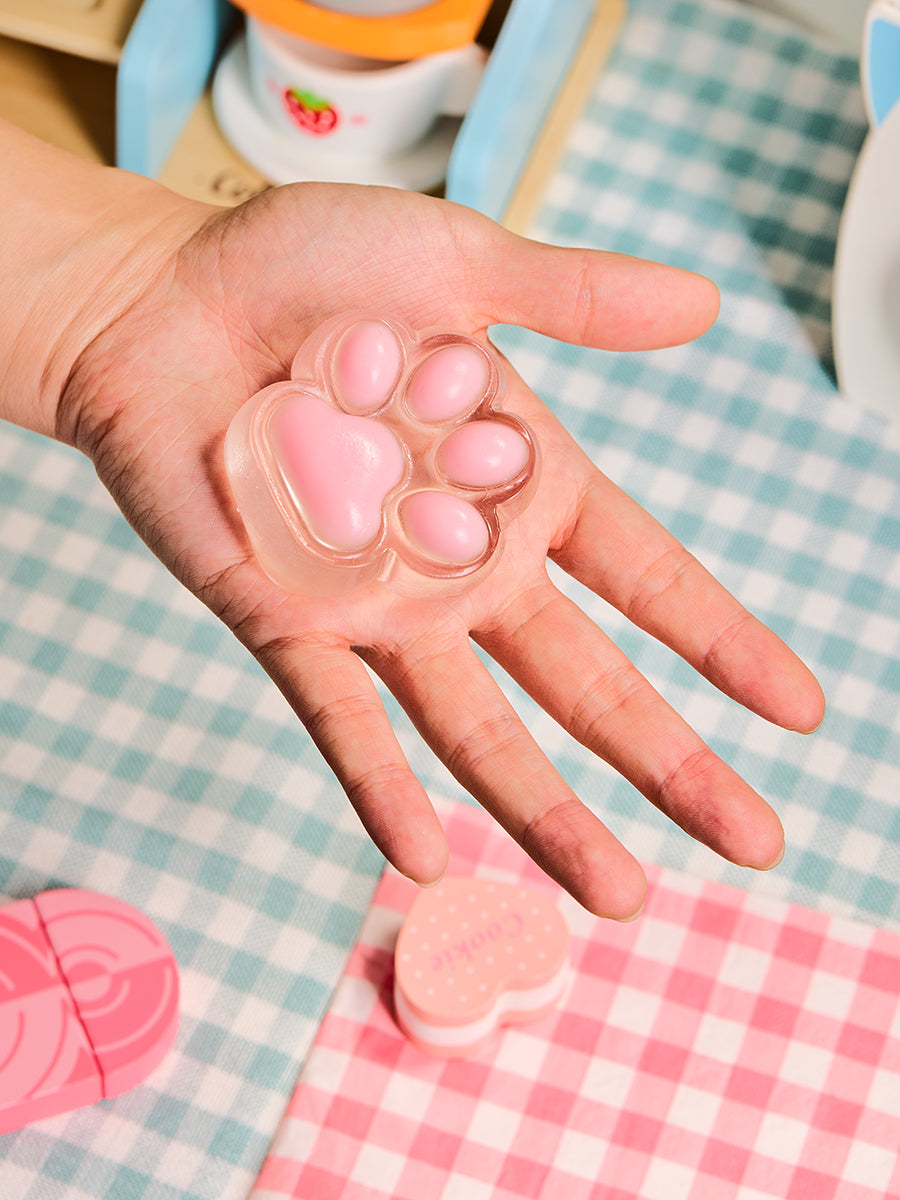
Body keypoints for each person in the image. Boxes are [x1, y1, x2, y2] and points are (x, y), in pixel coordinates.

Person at [0, 118, 825, 921]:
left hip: (383, 491)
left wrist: (113, 279)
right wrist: (117, 291)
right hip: (355, 475)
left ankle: (415, 478)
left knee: (441, 501)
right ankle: (408, 471)